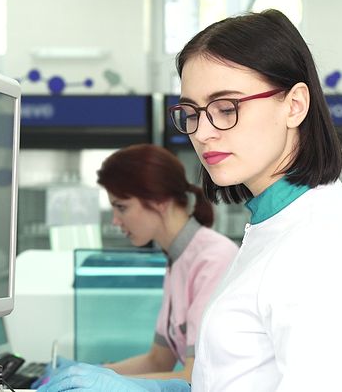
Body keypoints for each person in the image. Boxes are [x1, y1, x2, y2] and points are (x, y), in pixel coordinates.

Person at [36, 9, 342, 392]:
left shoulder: (316, 242)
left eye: (226, 108)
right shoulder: (276, 221)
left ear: (294, 105)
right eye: (191, 112)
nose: (203, 133)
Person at [34, 143, 238, 387]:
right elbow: (158, 360)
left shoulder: (213, 258)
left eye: (122, 207)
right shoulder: (177, 257)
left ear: (160, 201)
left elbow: (193, 376)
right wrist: (91, 371)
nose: (116, 220)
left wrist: (104, 382)